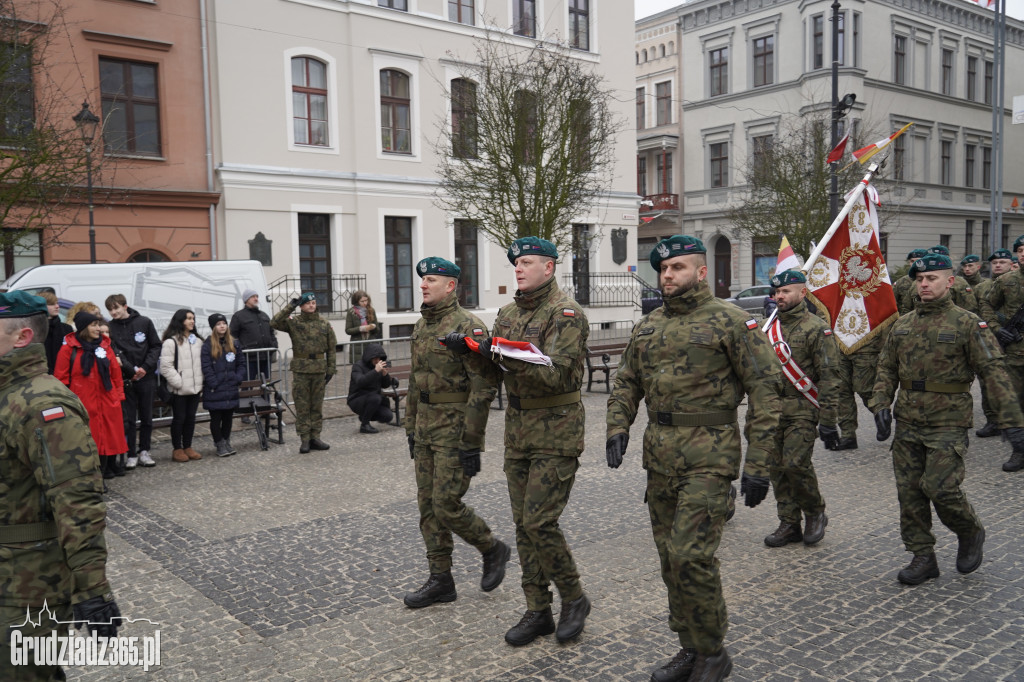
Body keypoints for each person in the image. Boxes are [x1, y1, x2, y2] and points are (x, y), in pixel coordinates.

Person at [605, 235, 782, 682]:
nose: (668, 276)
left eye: (678, 268)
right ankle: (689, 645)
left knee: (691, 555)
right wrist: (617, 426)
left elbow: (766, 392)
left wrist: (758, 464)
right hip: (660, 456)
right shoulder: (649, 325)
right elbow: (627, 380)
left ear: (701, 272)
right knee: (670, 558)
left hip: (710, 454)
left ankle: (713, 652)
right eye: (663, 269)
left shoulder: (731, 321)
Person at [459, 236, 592, 648]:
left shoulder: (566, 313)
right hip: (519, 431)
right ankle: (537, 609)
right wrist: (471, 352)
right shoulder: (508, 313)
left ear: (549, 268)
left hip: (557, 429)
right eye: (516, 263)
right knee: (522, 525)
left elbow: (553, 371)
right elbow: (493, 376)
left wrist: (497, 350)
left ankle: (574, 597)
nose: (518, 268)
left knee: (539, 521)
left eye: (528, 262)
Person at [871, 253, 1024, 584]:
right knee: (909, 493)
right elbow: (886, 367)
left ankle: (969, 531)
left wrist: (1013, 423)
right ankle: (922, 557)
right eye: (920, 279)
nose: (924, 284)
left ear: (949, 282)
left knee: (941, 488)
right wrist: (881, 403)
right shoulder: (903, 324)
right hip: (908, 420)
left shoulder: (968, 323)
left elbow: (993, 372)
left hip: (948, 421)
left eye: (932, 279)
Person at [0, 291, 121, 681]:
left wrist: (92, 589)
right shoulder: (6, 394)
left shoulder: (43, 403)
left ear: (20, 338)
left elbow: (78, 501)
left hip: (28, 584)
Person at [401, 257, 509, 609]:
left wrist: (472, 441)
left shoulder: (469, 327)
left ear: (450, 286)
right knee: (427, 507)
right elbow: (417, 383)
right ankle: (440, 580)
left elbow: (484, 386)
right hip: (426, 429)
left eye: (431, 279)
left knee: (446, 504)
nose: (423, 285)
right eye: (423, 279)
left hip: (454, 429)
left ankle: (492, 548)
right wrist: (410, 427)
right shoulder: (422, 325)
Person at [761, 270, 840, 548]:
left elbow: (830, 375)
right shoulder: (767, 327)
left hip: (803, 408)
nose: (779, 297)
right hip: (771, 411)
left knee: (795, 464)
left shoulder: (817, 328)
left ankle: (815, 511)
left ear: (802, 293)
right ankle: (789, 522)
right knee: (776, 468)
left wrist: (829, 419)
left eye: (786, 292)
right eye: (777, 293)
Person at [54, 311, 129, 480]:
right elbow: (61, 380)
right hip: (82, 405)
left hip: (107, 403)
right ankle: (90, 479)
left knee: (105, 442)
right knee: (86, 443)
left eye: (98, 325)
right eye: (94, 325)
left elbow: (116, 376)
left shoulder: (105, 347)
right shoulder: (68, 350)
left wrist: (118, 398)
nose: (98, 329)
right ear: (83, 328)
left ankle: (99, 477)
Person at [979, 238, 1024, 472]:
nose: (1023, 253)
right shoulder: (1007, 281)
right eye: (1020, 250)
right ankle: (1019, 451)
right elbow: (986, 306)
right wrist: (998, 328)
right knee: (1014, 402)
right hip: (1015, 354)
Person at [271, 292, 336, 453]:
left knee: (316, 406)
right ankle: (305, 439)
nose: (311, 305)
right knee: (302, 405)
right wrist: (291, 306)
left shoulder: (324, 324)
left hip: (319, 369)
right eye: (308, 303)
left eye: (313, 303)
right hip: (301, 369)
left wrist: (331, 369)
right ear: (302, 306)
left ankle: (315, 437)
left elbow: (332, 348)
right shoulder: (294, 322)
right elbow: (274, 322)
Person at [106, 293, 161, 470]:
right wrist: (132, 370)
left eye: (116, 308)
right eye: (110, 309)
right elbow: (114, 351)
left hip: (146, 377)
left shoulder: (144, 322)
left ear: (125, 306)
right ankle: (131, 453)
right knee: (128, 418)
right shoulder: (110, 327)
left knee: (146, 416)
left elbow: (155, 345)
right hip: (126, 378)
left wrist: (145, 367)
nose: (113, 312)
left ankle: (144, 450)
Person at [160, 309, 205, 463]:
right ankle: (177, 448)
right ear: (180, 321)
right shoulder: (170, 342)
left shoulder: (197, 341)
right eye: (188, 319)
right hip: (179, 389)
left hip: (195, 388)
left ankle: (188, 446)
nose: (192, 321)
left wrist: (201, 382)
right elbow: (165, 366)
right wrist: (179, 382)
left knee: (190, 419)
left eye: (193, 318)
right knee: (179, 418)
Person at [202, 313, 246, 457]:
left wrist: (237, 378)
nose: (222, 326)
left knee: (228, 417)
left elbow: (241, 363)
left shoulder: (234, 343)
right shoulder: (208, 345)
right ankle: (219, 443)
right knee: (216, 418)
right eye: (218, 324)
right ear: (213, 327)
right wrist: (213, 382)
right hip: (215, 388)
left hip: (230, 386)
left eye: (224, 323)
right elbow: (206, 366)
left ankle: (226, 441)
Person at [229, 288, 277, 383]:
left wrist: (274, 345)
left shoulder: (264, 315)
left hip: (265, 357)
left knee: (266, 385)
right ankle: (249, 398)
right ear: (246, 300)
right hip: (249, 359)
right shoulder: (239, 316)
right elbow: (232, 336)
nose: (256, 299)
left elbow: (271, 332)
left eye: (257, 296)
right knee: (247, 386)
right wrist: (241, 349)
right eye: (253, 297)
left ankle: (265, 398)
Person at [346, 343, 395, 433]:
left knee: (387, 416)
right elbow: (360, 381)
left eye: (379, 358)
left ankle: (364, 416)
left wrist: (385, 375)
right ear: (369, 357)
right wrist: (375, 371)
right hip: (357, 398)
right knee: (375, 398)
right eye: (375, 358)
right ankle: (364, 425)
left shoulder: (378, 367)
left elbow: (385, 385)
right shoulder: (358, 366)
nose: (377, 361)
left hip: (373, 399)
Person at [345, 290, 382, 364]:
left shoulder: (371, 310)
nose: (365, 303)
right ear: (356, 301)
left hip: (370, 344)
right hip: (357, 346)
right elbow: (348, 330)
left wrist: (373, 327)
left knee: (371, 369)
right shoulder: (351, 312)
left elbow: (377, 329)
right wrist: (361, 329)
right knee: (359, 369)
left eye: (366, 300)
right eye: (362, 301)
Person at [41, 291, 72, 374]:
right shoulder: (36, 330)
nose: (57, 306)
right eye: (52, 304)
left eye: (57, 303)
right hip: (42, 377)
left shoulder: (67, 329)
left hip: (64, 376)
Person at [893, 249, 929, 316]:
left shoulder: (932, 281)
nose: (915, 264)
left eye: (918, 261)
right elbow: (892, 304)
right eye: (912, 261)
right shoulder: (901, 282)